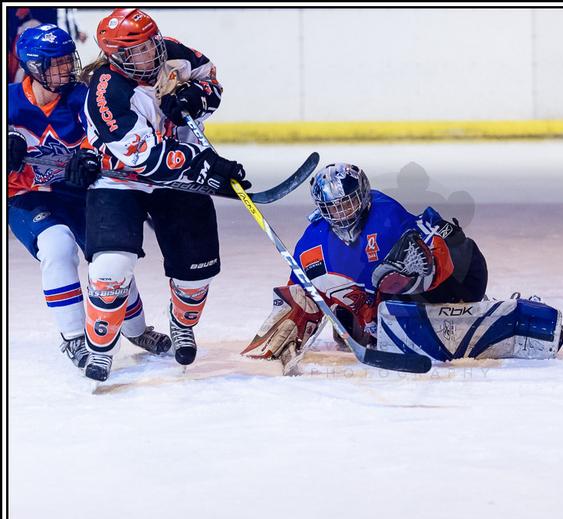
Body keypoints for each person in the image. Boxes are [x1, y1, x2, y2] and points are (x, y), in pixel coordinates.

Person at [78, 8, 249, 382]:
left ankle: (182, 323)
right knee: (110, 268)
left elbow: (211, 82)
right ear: (115, 57)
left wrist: (195, 99)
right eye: (135, 51)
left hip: (178, 180)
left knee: (196, 273)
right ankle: (100, 347)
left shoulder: (174, 52)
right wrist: (205, 165)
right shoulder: (106, 93)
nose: (149, 55)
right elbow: (149, 159)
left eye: (150, 45)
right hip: (119, 178)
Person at [7, 24, 170, 370]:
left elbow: (106, 136)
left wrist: (91, 156)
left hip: (79, 195)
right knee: (57, 247)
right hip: (28, 197)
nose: (67, 68)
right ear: (33, 66)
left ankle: (136, 330)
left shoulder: (83, 97)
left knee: (109, 259)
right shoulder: (9, 101)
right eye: (56, 63)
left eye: (69, 60)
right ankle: (74, 338)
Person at [242, 162, 489, 361]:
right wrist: (293, 316)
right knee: (350, 328)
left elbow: (435, 256)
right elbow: (302, 294)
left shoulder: (385, 216)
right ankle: (377, 318)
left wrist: (411, 277)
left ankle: (456, 304)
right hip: (375, 308)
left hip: (461, 274)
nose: (342, 213)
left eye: (347, 203)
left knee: (394, 281)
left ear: (362, 195)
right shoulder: (311, 244)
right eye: (333, 208)